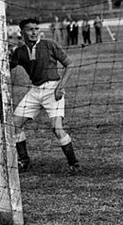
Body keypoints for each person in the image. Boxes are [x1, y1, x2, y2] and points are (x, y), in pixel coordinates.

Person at [9, 17, 80, 175]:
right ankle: (24, 161)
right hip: (35, 90)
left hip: (52, 89)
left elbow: (70, 64)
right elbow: (9, 65)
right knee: (14, 124)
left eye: (36, 29)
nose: (34, 32)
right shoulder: (20, 52)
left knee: (57, 128)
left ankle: (74, 164)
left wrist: (61, 86)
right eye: (30, 29)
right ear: (22, 32)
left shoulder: (49, 44)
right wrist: (5, 54)